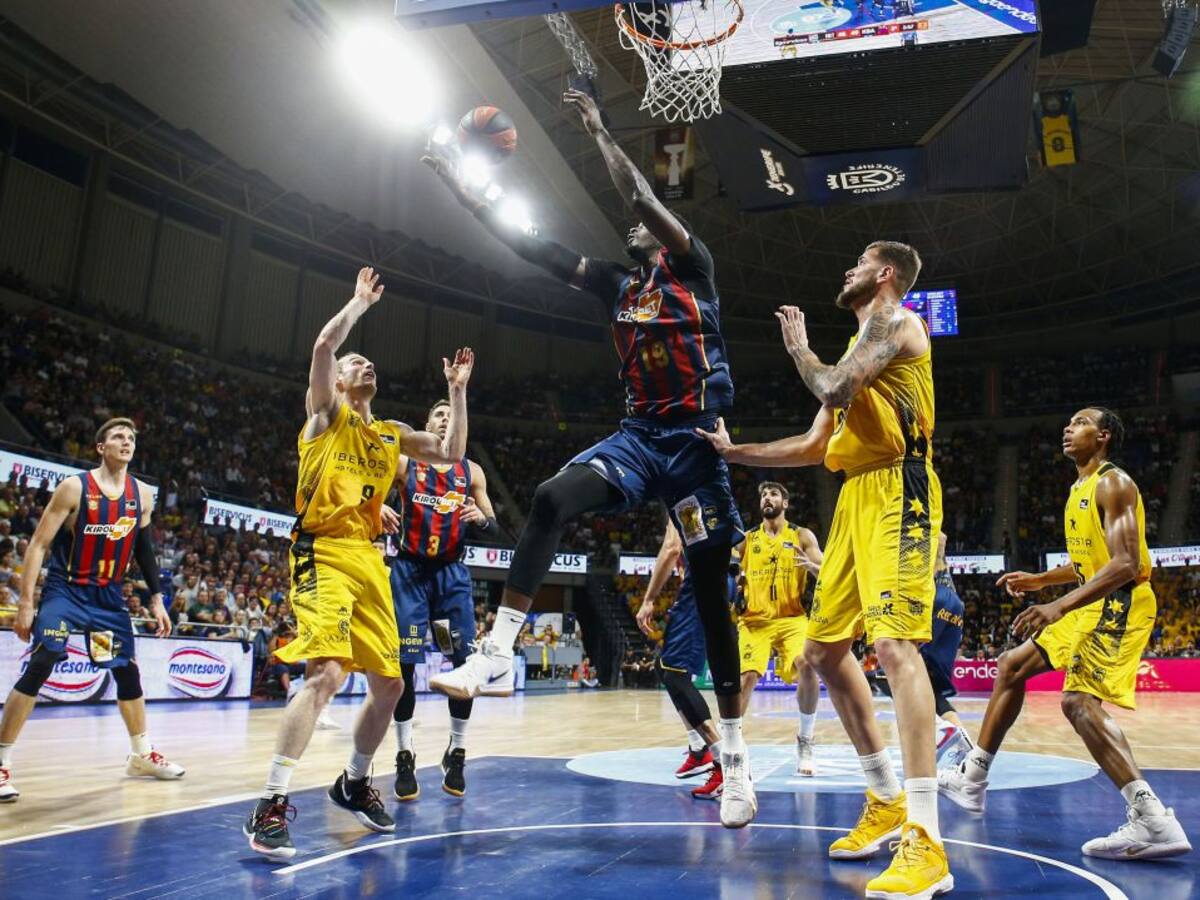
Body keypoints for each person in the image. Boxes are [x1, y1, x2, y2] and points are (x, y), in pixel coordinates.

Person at [423, 88, 753, 828]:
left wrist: (600, 129)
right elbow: (525, 245)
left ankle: (734, 760)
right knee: (547, 498)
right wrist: (460, 183)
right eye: (636, 224)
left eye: (648, 222)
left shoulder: (694, 267)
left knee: (707, 598)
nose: (636, 224)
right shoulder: (617, 284)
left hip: (696, 444)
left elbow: (636, 189)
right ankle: (499, 649)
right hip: (639, 436)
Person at [700, 241, 951, 898]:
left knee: (894, 646)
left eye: (861, 261)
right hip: (854, 499)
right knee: (823, 651)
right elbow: (813, 445)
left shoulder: (894, 321)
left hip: (900, 488)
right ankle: (886, 798)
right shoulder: (858, 344)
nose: (849, 269)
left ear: (886, 274)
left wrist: (797, 347)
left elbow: (831, 384)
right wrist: (735, 452)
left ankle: (926, 841)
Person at [242, 266, 475, 861]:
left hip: (370, 559)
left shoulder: (392, 434)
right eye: (356, 364)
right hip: (322, 550)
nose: (364, 366)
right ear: (339, 382)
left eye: (370, 364)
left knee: (392, 683)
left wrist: (457, 391)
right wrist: (357, 304)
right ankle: (270, 801)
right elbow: (324, 345)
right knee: (325, 675)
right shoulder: (327, 415)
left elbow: (450, 454)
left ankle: (352, 780)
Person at [939, 408, 1191, 861]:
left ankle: (1153, 820)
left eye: (1080, 422)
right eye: (1068, 423)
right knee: (1011, 667)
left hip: (1122, 602)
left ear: (1105, 436)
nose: (1068, 429)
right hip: (1093, 601)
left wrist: (1056, 605)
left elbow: (1125, 564)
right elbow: (1087, 564)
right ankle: (972, 778)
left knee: (1076, 703)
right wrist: (1041, 581)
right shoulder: (1079, 487)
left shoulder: (1114, 482)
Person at [0, 418, 184, 803]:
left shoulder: (142, 495)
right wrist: (26, 603)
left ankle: (140, 754)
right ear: (101, 447)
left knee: (124, 670)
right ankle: (1, 762)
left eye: (131, 437)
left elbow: (144, 550)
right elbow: (36, 545)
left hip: (106, 601)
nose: (126, 442)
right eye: (118, 436)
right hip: (65, 593)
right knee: (46, 655)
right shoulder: (74, 488)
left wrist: (155, 597)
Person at [388, 397, 499, 802]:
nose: (445, 421)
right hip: (410, 574)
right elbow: (371, 500)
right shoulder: (404, 464)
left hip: (451, 576)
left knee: (463, 665)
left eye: (452, 417)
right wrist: (381, 510)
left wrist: (480, 519)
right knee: (405, 666)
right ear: (425, 423)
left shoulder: (472, 471)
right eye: (438, 415)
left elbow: (492, 524)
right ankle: (404, 754)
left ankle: (457, 750)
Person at [734, 482, 824, 778]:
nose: (767, 498)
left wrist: (811, 568)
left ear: (785, 502)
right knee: (747, 677)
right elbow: (725, 567)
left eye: (773, 494)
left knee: (808, 665)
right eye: (763, 495)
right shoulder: (746, 539)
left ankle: (806, 740)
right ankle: (734, 746)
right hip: (754, 621)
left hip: (792, 617)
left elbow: (827, 571)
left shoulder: (801, 536)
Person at [636, 521, 723, 797]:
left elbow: (672, 547)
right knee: (667, 669)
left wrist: (649, 599)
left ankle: (726, 764)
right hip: (713, 582)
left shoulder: (680, 491)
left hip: (702, 584)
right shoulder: (709, 491)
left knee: (673, 672)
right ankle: (698, 748)